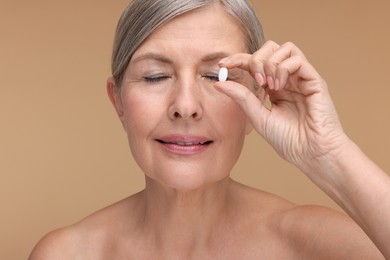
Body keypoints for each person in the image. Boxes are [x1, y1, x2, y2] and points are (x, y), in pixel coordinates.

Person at [29, 0, 390, 259]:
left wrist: (329, 154)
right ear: (118, 101)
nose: (185, 106)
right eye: (156, 76)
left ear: (255, 98)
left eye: (216, 75)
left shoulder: (319, 246)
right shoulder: (66, 253)